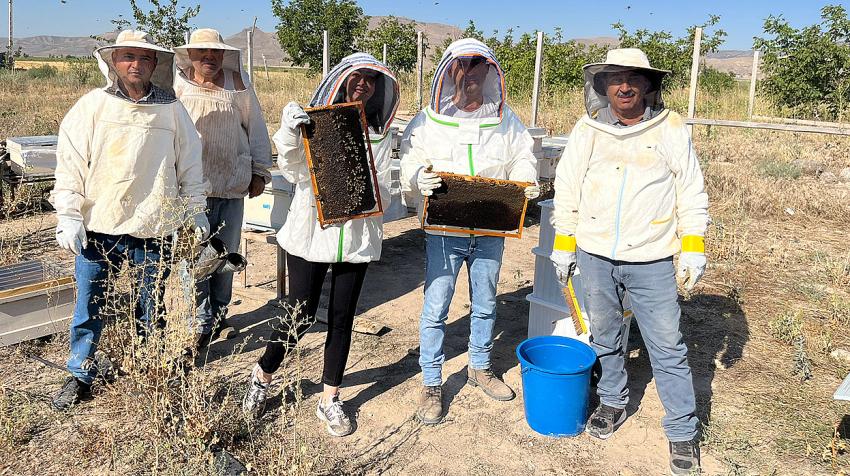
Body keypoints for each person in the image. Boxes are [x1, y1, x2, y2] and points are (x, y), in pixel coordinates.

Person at [550, 48, 708, 475]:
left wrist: (692, 244)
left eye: (633, 79)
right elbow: (568, 188)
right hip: (595, 252)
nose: (623, 86)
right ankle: (613, 402)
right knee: (605, 333)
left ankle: (681, 430)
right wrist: (564, 243)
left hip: (652, 256)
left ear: (648, 85)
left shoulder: (671, 127)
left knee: (667, 345)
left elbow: (690, 189)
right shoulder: (587, 131)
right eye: (615, 79)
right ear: (602, 86)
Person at [49, 30, 209, 411]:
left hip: (153, 222)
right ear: (113, 62)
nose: (135, 64)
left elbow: (190, 160)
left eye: (143, 58)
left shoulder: (172, 109)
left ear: (155, 64)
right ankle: (79, 373)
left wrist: (195, 206)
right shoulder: (92, 107)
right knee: (89, 303)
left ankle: (149, 367)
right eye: (127, 57)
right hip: (99, 223)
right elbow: (70, 161)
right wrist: (69, 212)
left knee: (151, 304)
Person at [241, 53, 399, 437]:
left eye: (370, 79)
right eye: (356, 77)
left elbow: (384, 190)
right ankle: (262, 376)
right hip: (312, 232)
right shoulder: (317, 120)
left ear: (380, 90)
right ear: (341, 80)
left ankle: (330, 397)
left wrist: (392, 189)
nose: (362, 83)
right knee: (299, 314)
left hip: (356, 239)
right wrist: (291, 135)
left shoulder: (382, 133)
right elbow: (296, 173)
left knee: (343, 318)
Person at [399, 38, 540, 425]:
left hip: (491, 229)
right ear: (451, 73)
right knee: (436, 306)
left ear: (488, 74)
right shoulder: (428, 121)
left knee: (486, 301)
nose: (471, 74)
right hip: (445, 230)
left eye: (478, 68)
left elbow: (523, 156)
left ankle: (479, 366)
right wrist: (417, 177)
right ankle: (431, 382)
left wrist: (526, 178)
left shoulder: (506, 119)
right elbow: (409, 160)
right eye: (464, 68)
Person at [173, 29, 273, 350]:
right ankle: (198, 322)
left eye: (214, 53)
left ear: (222, 55)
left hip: (231, 184)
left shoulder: (239, 85)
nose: (209, 58)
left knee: (226, 256)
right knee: (195, 258)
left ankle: (218, 316)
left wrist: (260, 171)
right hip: (190, 190)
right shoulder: (177, 86)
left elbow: (256, 130)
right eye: (202, 53)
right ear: (190, 55)